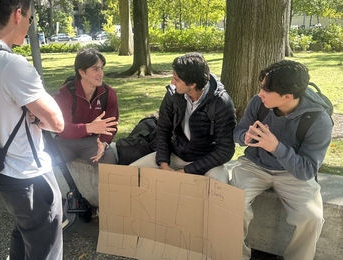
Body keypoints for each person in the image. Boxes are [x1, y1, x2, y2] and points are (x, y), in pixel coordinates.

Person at [0, 1, 65, 259]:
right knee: (45, 247)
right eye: (30, 19)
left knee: (25, 230)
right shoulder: (11, 65)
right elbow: (57, 122)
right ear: (18, 14)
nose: (29, 25)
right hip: (28, 173)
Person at [231, 60, 333, 260]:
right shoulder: (258, 103)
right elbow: (238, 132)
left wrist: (276, 147)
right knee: (232, 203)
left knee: (311, 218)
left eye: (266, 90)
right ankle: (236, 255)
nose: (260, 94)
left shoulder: (318, 120)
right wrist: (245, 137)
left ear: (287, 96)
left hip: (292, 173)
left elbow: (307, 170)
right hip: (255, 166)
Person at [130, 52, 236, 183]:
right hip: (176, 154)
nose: (172, 82)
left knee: (219, 191)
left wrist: (187, 171)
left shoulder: (222, 103)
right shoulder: (173, 95)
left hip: (207, 161)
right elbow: (163, 130)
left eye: (177, 79)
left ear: (192, 84)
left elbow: (225, 150)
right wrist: (163, 163)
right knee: (130, 173)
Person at [53, 48, 119, 165]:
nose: (101, 74)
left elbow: (111, 126)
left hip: (93, 141)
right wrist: (89, 128)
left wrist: (103, 143)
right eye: (95, 69)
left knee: (110, 164)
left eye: (101, 68)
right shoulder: (65, 93)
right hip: (65, 142)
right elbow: (63, 129)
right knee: (44, 163)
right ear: (81, 72)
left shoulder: (108, 93)